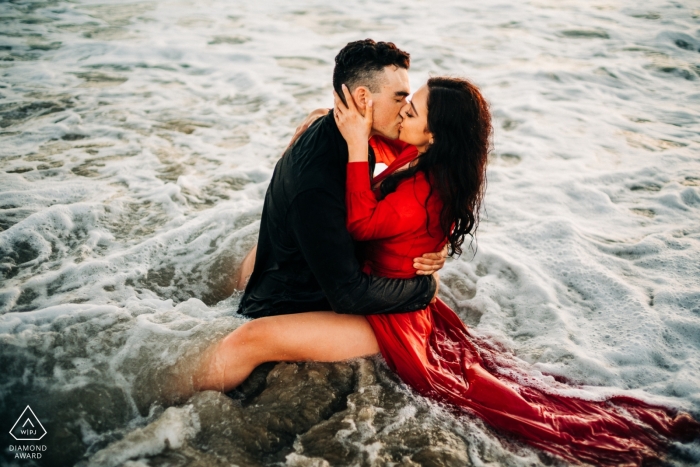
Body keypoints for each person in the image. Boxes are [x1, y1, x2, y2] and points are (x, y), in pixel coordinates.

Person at [330, 78, 699, 465]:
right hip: (399, 288)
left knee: (498, 402)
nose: (402, 112)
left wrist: (356, 145)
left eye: (411, 111)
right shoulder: (429, 159)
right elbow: (387, 147)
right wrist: (340, 122)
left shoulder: (421, 189)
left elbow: (359, 223)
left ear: (435, 135)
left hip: (390, 306)